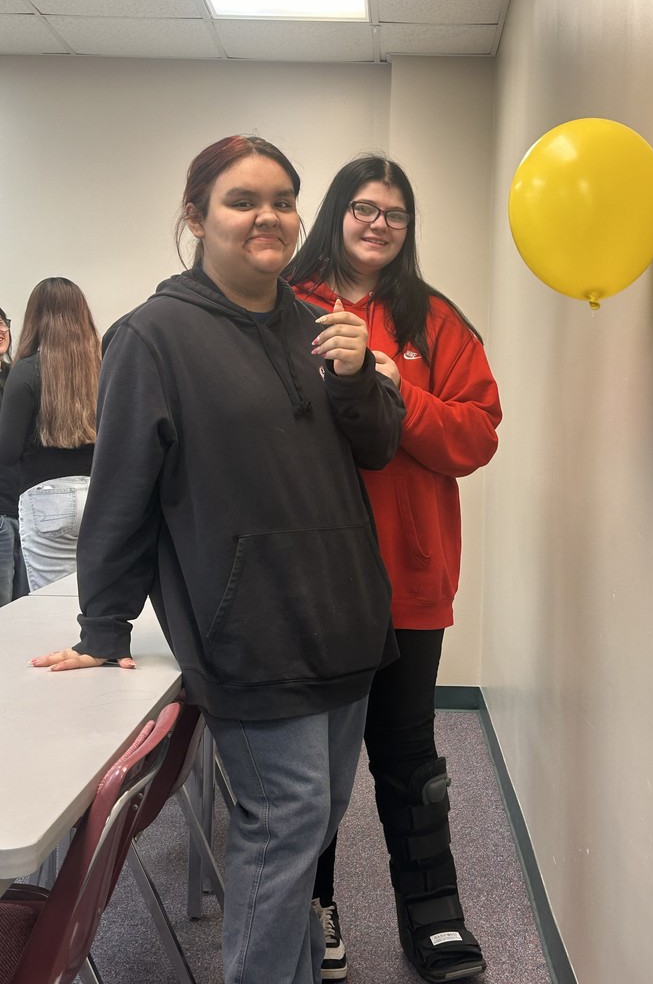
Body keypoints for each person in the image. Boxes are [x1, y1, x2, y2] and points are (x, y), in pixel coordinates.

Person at [29, 135, 405, 984]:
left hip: (347, 621)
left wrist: (358, 378)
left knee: (312, 824)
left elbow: (379, 448)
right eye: (243, 200)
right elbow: (121, 491)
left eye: (282, 199)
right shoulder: (152, 337)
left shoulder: (321, 327)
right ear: (196, 218)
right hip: (250, 635)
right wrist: (102, 625)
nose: (267, 216)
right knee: (285, 824)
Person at [285, 155, 502, 984]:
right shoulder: (285, 308)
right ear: (335, 213)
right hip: (314, 582)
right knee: (314, 766)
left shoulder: (433, 319)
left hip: (410, 580)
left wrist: (396, 391)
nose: (379, 224)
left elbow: (478, 434)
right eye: (364, 208)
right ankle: (319, 910)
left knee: (410, 759)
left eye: (396, 214)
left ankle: (433, 914)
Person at [0, 278, 99, 590]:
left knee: (52, 604)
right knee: (94, 597)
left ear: (34, 318)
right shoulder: (102, 367)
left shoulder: (26, 371)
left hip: (47, 501)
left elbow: (7, 451)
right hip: (98, 492)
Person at [0, 307, 29, 605]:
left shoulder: (17, 376)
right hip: (1, 513)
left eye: (3, 322)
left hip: (27, 507)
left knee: (28, 604)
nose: (1, 330)